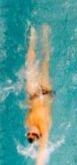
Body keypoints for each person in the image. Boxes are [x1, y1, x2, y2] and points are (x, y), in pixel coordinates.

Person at [24, 25, 53, 165]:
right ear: (39, 135)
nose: (31, 132)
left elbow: (29, 107)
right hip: (45, 92)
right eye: (34, 135)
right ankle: (46, 35)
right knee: (45, 62)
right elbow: (42, 152)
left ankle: (32, 38)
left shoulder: (28, 122)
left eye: (29, 134)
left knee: (29, 64)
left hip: (33, 93)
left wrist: (29, 100)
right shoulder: (44, 128)